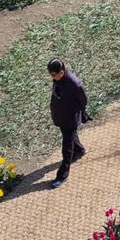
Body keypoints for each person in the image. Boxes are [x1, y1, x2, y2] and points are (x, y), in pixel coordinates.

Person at [48, 59, 88, 189]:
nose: (53, 77)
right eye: (51, 75)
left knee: (66, 147)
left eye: (54, 74)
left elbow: (83, 99)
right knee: (70, 138)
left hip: (70, 119)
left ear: (62, 71)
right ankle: (80, 150)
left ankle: (62, 175)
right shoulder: (58, 80)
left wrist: (77, 112)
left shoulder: (74, 83)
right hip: (60, 117)